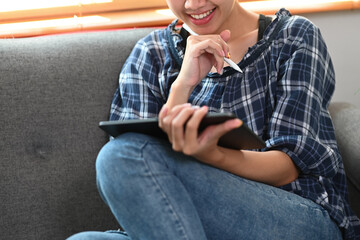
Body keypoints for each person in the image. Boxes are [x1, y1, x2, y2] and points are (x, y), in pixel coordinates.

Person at [68, 0, 360, 239]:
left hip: (294, 216)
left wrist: (213, 155)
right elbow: (133, 182)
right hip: (191, 221)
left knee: (116, 157)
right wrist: (182, 85)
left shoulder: (292, 37)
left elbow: (288, 168)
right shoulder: (151, 54)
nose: (193, 4)